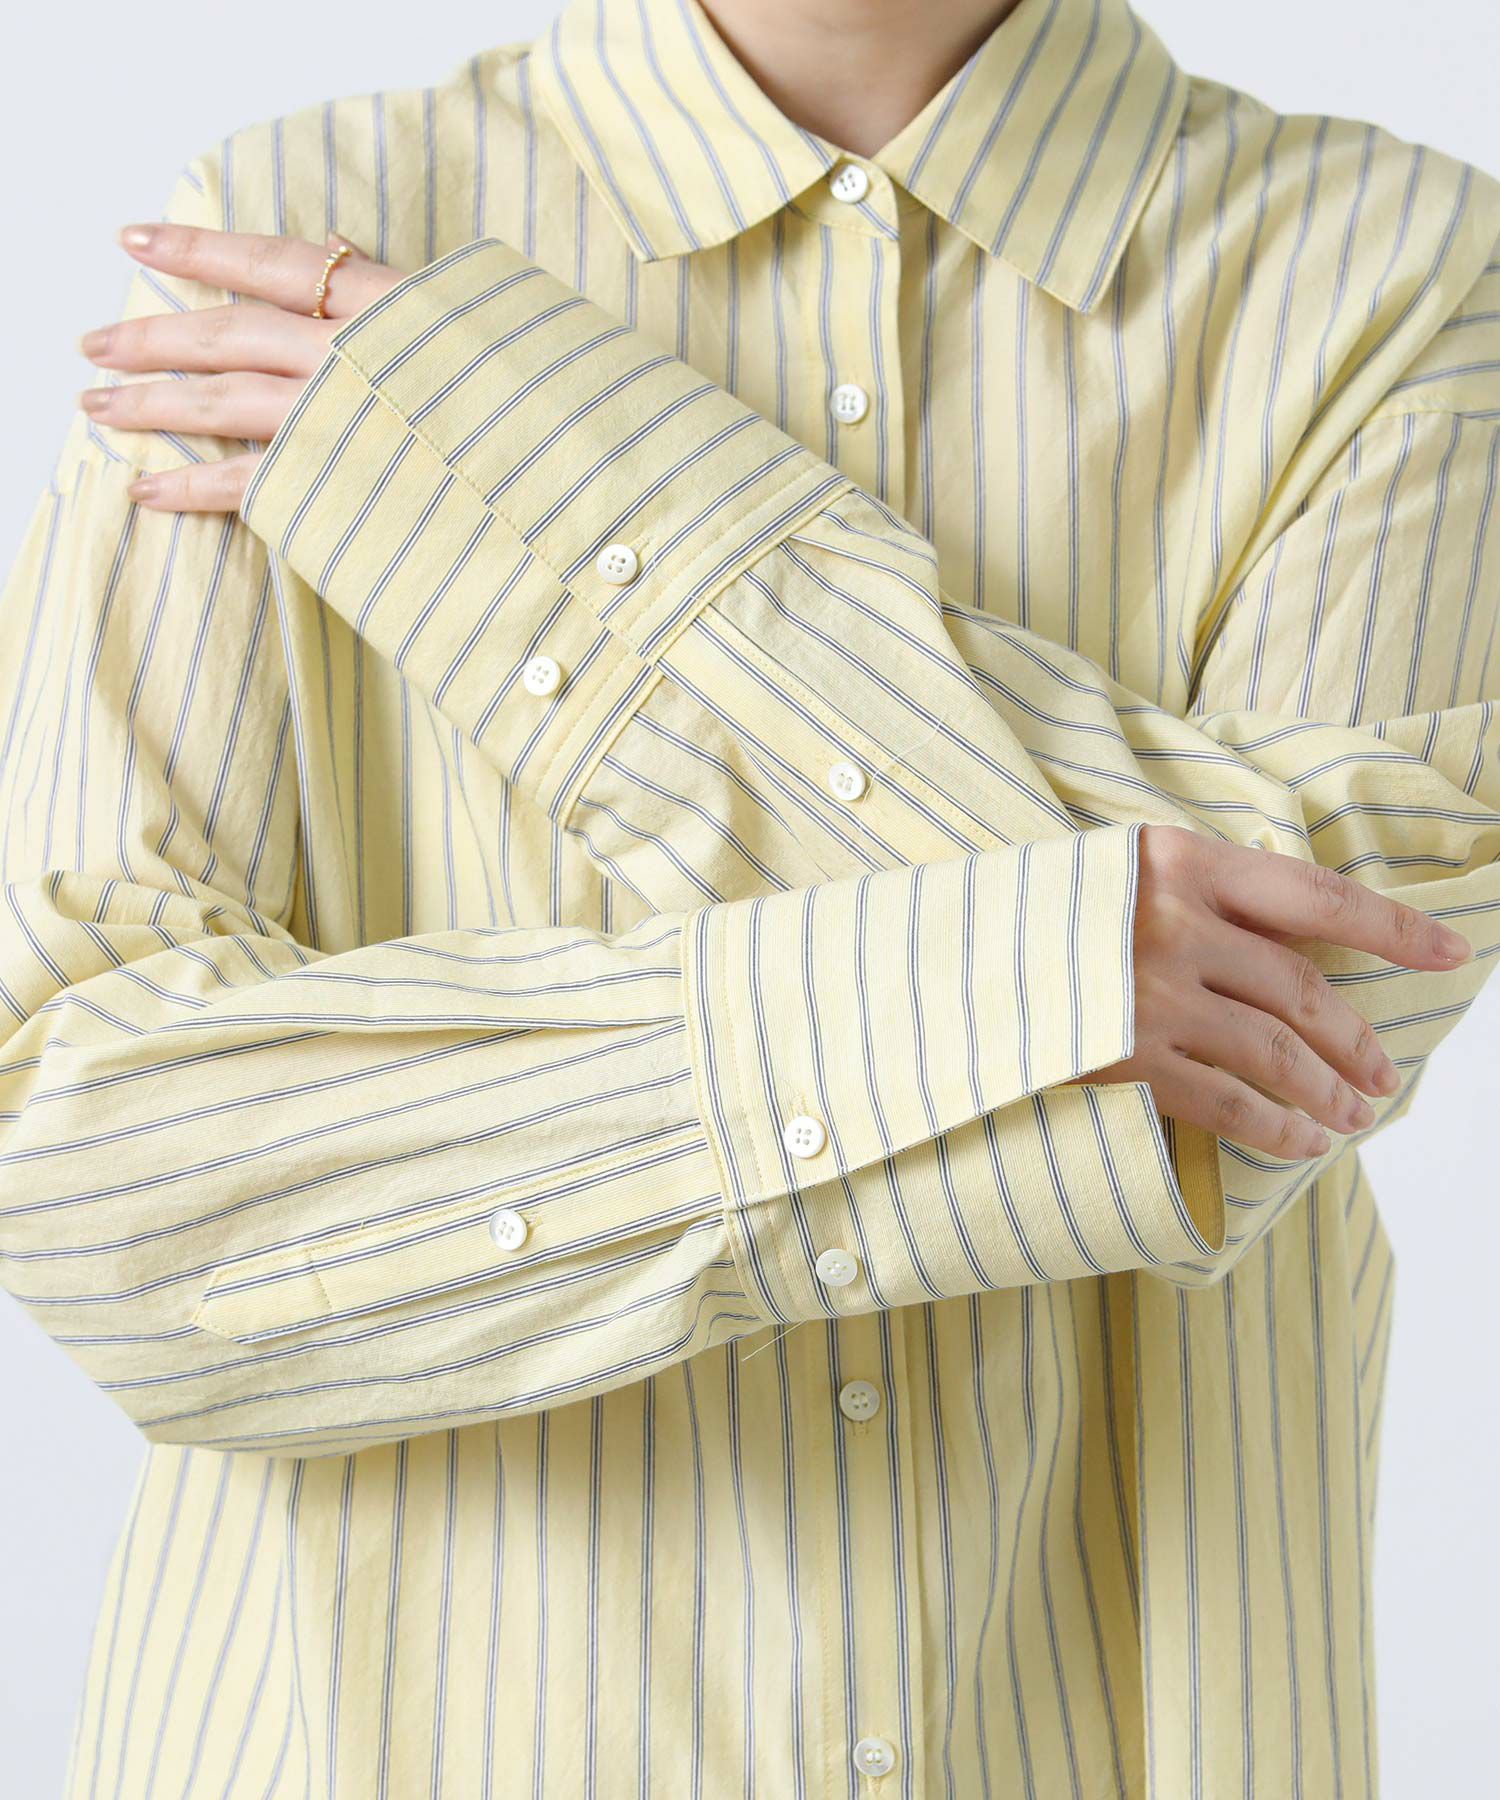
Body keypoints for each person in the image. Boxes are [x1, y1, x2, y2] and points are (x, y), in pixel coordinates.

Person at [2, 0, 1497, 1792]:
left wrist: (556, 506)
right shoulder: (296, 234)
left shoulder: (1404, 275)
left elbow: (1288, 1051)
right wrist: (1016, 985)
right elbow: (97, 1178)